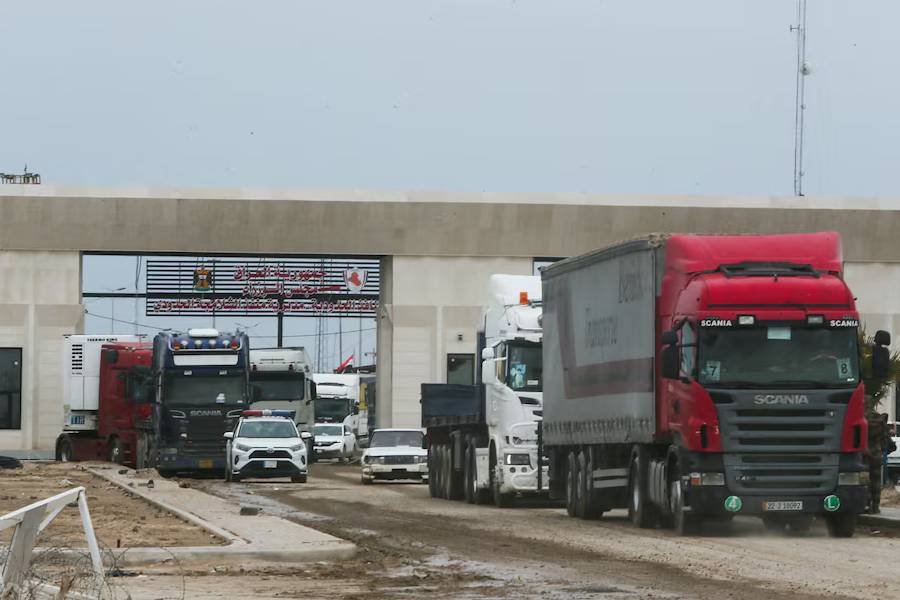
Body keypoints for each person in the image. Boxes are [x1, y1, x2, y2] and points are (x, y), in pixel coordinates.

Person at [867, 411, 895, 514]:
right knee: (876, 481)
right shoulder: (879, 422)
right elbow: (888, 442)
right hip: (876, 455)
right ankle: (875, 506)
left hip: (864, 455)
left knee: (865, 481)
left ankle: (866, 504)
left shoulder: (862, 417)